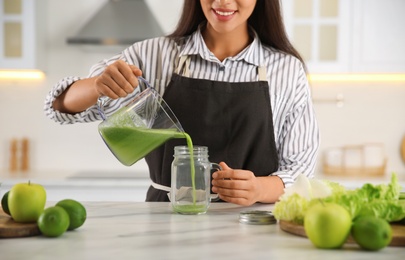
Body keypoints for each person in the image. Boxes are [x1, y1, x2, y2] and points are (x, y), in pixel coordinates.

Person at [44, 0, 319, 206]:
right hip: (167, 221)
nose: (223, 2)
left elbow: (300, 170)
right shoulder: (154, 55)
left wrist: (259, 189)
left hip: (252, 226)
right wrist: (96, 86)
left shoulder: (286, 70)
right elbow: (59, 108)